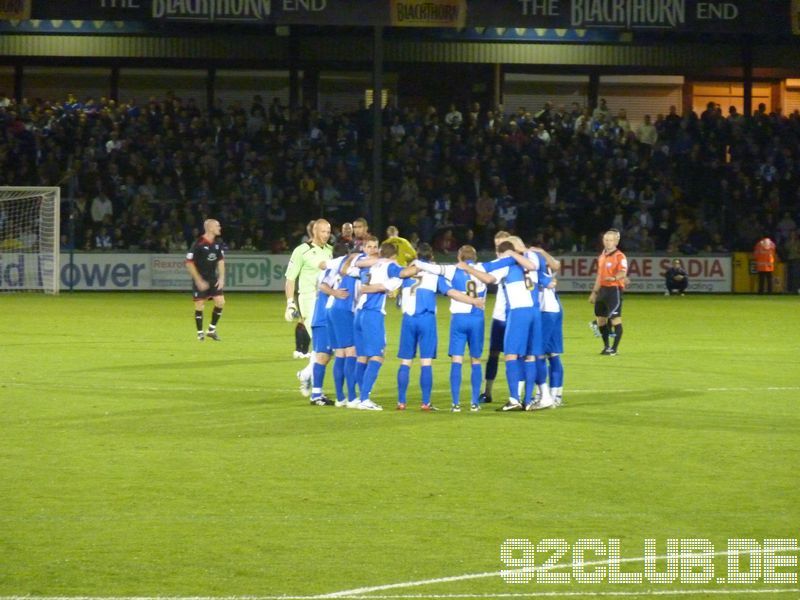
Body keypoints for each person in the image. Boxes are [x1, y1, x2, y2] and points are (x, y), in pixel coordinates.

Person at [397, 244, 485, 411]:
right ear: (431, 258)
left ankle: (401, 401)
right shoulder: (434, 273)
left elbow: (394, 291)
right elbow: (451, 292)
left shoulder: (406, 272)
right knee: (426, 362)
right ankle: (425, 402)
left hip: (408, 319)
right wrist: (473, 301)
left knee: (406, 361)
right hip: (427, 319)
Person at [354, 242, 417, 410]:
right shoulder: (391, 266)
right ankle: (364, 399)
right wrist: (418, 267)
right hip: (372, 313)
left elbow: (364, 281)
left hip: (358, 313)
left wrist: (367, 288)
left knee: (362, 357)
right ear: (395, 255)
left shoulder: (373, 265)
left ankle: (357, 398)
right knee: (377, 356)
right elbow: (403, 273)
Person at [284, 219, 333, 396]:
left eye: (328, 232)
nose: (326, 235)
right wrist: (290, 303)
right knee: (323, 344)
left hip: (327, 300)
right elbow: (290, 278)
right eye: (323, 232)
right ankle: (316, 388)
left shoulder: (330, 251)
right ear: (314, 231)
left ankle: (306, 375)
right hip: (309, 300)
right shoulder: (301, 251)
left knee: (329, 346)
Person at [185, 218, 225, 341]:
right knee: (199, 305)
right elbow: (189, 263)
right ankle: (200, 333)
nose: (220, 228)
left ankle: (211, 330)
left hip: (213, 279)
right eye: (217, 226)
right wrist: (198, 280)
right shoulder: (198, 243)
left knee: (220, 302)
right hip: (201, 279)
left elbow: (221, 261)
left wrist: (222, 277)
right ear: (210, 228)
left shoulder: (218, 243)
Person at [589, 229, 627, 356]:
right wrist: (594, 292)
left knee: (615, 319)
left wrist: (615, 278)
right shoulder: (602, 256)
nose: (608, 242)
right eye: (606, 240)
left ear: (616, 241)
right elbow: (599, 276)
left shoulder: (620, 256)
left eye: (611, 240)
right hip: (603, 290)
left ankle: (614, 349)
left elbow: (623, 272)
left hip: (614, 290)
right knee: (601, 320)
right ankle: (606, 347)